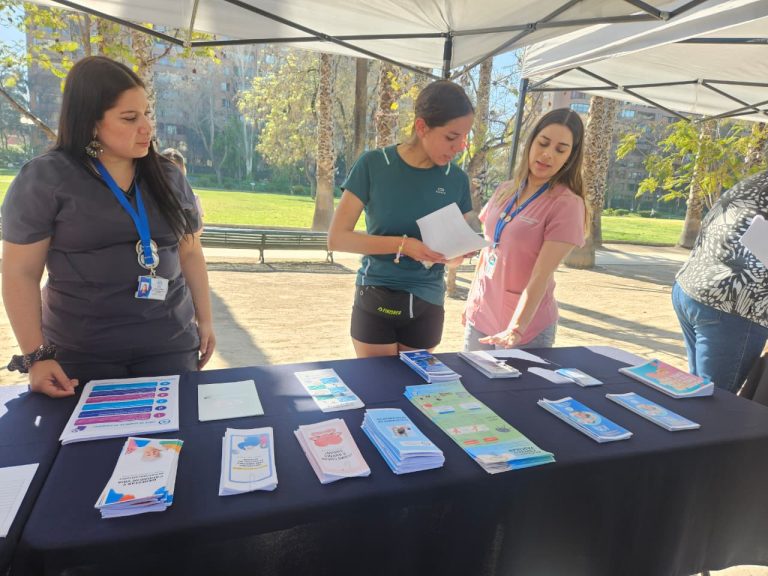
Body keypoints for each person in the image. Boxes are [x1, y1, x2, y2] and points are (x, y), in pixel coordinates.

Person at [2, 55, 215, 397]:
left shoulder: (169, 176)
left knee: (171, 443)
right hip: (82, 352)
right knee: (91, 448)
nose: (146, 127)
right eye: (129, 118)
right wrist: (36, 356)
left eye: (147, 114)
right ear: (90, 123)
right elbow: (20, 273)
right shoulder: (46, 179)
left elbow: (190, 252)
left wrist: (205, 319)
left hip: (169, 344)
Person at [328, 80, 474, 358]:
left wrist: (458, 253)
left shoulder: (457, 180)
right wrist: (404, 245)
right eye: (451, 137)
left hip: (428, 302)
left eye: (464, 137)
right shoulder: (373, 164)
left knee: (415, 392)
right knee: (379, 388)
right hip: (377, 296)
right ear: (421, 127)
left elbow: (453, 257)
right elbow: (337, 238)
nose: (460, 147)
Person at [463, 108, 586, 351]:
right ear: (530, 143)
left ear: (570, 157)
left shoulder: (567, 204)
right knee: (469, 387)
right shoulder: (505, 190)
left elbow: (541, 274)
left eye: (560, 150)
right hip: (481, 316)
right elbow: (488, 251)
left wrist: (517, 328)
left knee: (512, 390)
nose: (547, 154)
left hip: (524, 331)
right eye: (543, 143)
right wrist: (471, 305)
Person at [672, 169, 768, 393]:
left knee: (698, 391)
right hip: (732, 306)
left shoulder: (759, 179)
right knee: (713, 401)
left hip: (691, 288)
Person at [161, 147, 204, 222]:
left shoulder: (193, 199)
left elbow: (197, 230)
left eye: (175, 171)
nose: (171, 176)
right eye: (166, 170)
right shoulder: (146, 197)